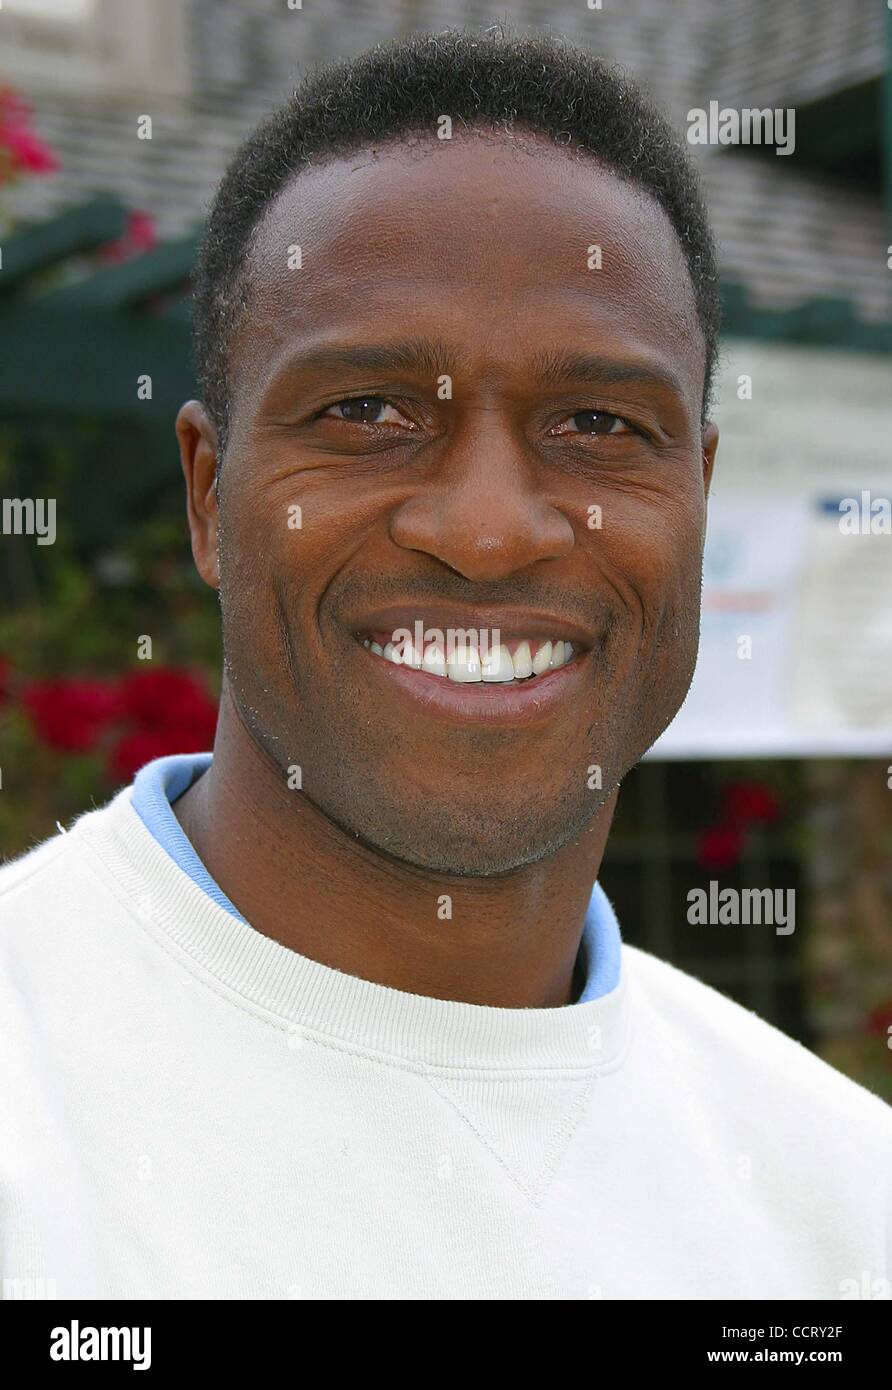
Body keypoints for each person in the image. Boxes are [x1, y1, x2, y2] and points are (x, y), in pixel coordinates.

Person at [1, 26, 889, 1302]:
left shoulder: (843, 1202)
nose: (486, 531)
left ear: (697, 497)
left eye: (598, 423)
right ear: (208, 497)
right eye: (367, 411)